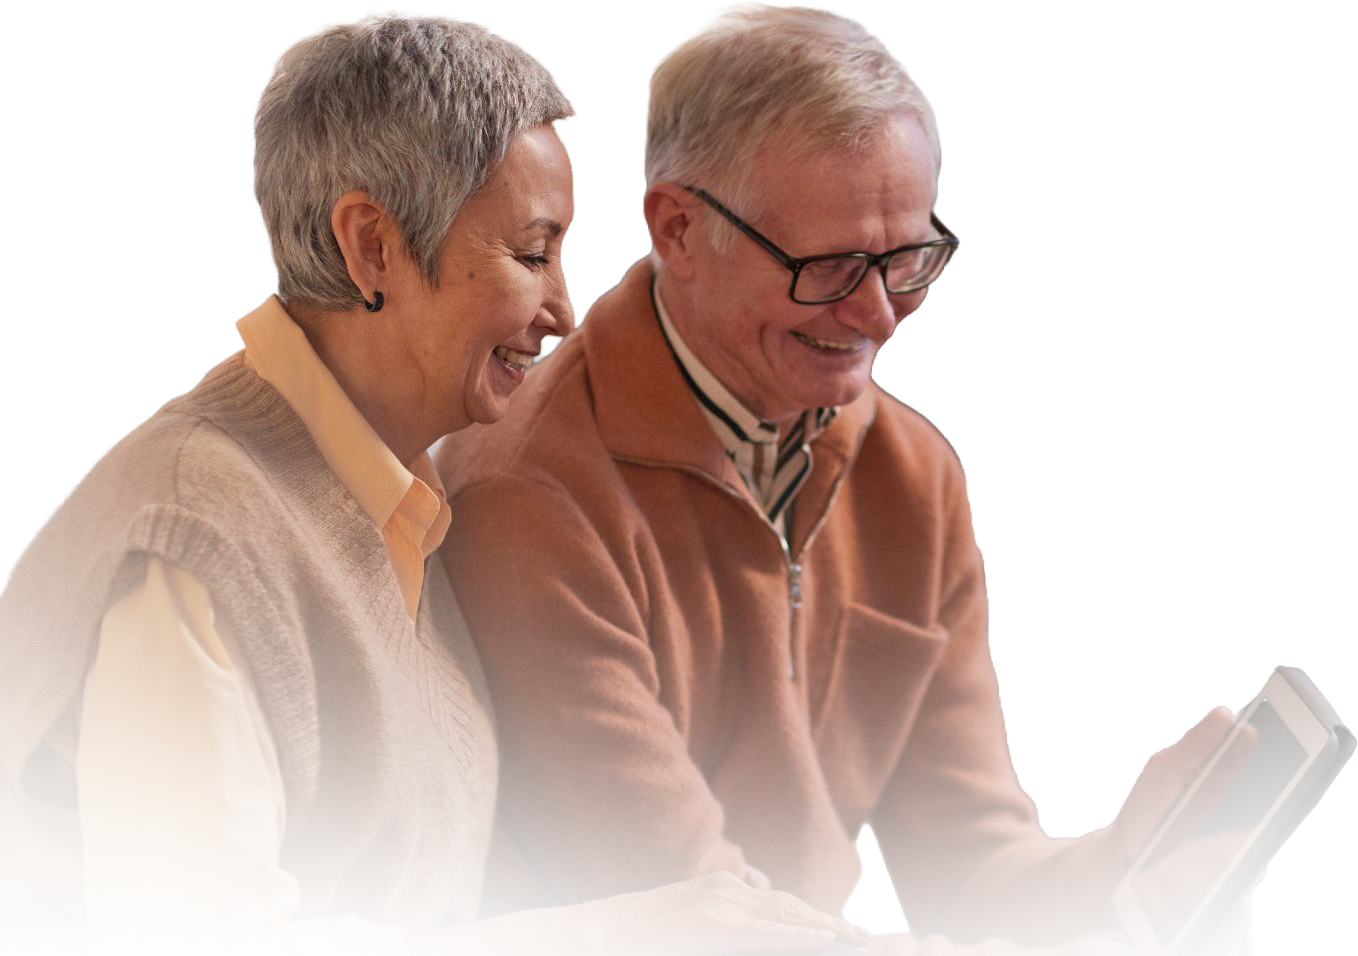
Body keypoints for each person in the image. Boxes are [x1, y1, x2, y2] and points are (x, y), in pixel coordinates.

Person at [0, 15, 873, 956]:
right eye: (532, 254)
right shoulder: (196, 532)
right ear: (372, 245)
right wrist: (607, 936)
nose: (563, 308)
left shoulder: (394, 499)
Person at [434, 6, 1252, 955]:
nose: (877, 313)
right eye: (827, 266)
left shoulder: (910, 474)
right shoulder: (533, 503)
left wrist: (1124, 869)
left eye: (907, 257)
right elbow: (718, 925)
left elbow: (969, 872)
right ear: (680, 229)